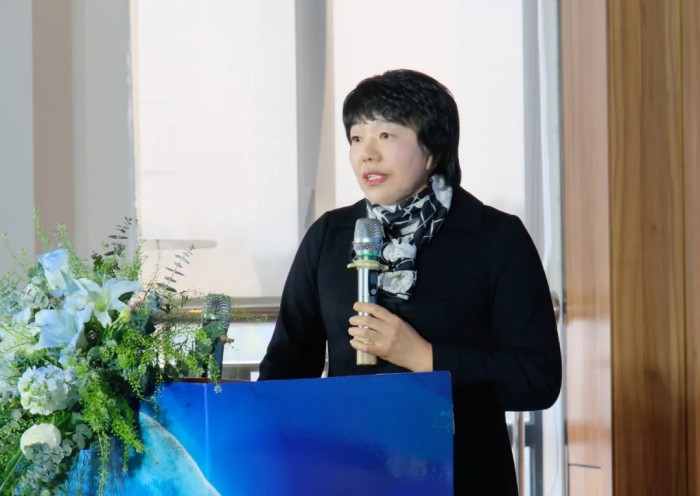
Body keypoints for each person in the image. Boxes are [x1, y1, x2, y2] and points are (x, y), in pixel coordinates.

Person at [258, 69, 562, 495]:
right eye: (356, 137)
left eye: (386, 135)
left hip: (465, 475)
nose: (366, 154)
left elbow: (537, 379)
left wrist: (424, 356)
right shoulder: (330, 236)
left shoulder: (495, 237)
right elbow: (287, 367)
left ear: (432, 150)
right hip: (349, 476)